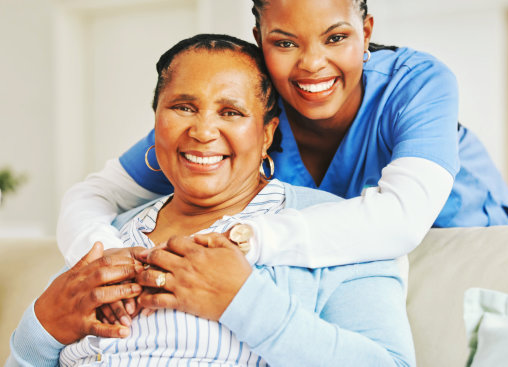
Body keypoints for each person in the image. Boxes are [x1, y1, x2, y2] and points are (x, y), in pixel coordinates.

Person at [57, 0, 508, 273]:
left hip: (467, 243)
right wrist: (101, 250)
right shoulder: (242, 113)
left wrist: (249, 240)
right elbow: (93, 195)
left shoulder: (417, 84)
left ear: (367, 31)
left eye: (336, 37)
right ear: (260, 42)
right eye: (285, 42)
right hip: (354, 264)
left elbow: (401, 218)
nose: (313, 64)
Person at [8, 34, 415, 366]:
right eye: (183, 107)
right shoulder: (106, 234)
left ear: (267, 134)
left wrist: (242, 301)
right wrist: (40, 328)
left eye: (231, 112)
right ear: (156, 124)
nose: (203, 131)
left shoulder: (341, 228)